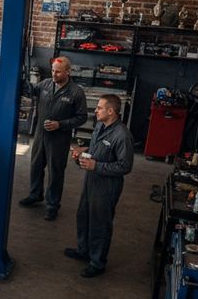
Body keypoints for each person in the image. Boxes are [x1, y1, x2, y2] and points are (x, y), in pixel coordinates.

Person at [65, 94, 134, 278]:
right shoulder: (100, 126)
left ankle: (97, 262)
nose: (95, 110)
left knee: (100, 223)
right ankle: (83, 250)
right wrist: (83, 151)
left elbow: (125, 166)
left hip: (107, 186)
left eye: (99, 108)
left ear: (110, 111)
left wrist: (97, 165)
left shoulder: (122, 135)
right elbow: (95, 150)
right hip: (91, 180)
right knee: (84, 215)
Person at [19, 56, 88, 220]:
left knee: (56, 172)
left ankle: (52, 205)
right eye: (52, 71)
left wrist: (61, 124)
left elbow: (82, 117)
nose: (54, 74)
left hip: (59, 138)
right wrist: (19, 77)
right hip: (40, 135)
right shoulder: (46, 84)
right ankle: (35, 194)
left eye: (58, 72)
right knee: (36, 166)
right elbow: (31, 89)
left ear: (68, 72)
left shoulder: (76, 92)